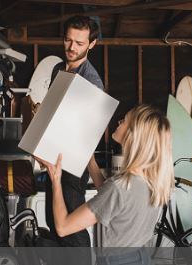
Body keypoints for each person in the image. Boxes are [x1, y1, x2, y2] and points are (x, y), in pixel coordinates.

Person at [36, 104, 174, 263]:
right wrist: (91, 162)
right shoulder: (152, 180)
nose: (118, 122)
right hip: (140, 258)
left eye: (124, 121)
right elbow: (112, 203)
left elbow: (63, 227)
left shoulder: (119, 187)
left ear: (133, 135)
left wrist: (55, 179)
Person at [45, 15, 104, 247]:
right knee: (53, 222)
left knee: (71, 230)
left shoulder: (91, 82)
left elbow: (89, 133)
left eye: (79, 43)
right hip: (54, 156)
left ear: (92, 44)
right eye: (68, 40)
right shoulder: (59, 69)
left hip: (74, 165)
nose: (72, 48)